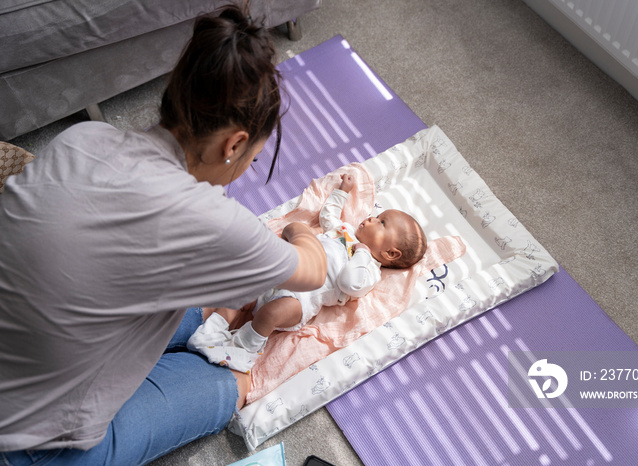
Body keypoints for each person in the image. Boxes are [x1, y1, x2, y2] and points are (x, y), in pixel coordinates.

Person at [0, 5, 327, 465]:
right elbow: (313, 273)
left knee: (211, 308)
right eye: (251, 158)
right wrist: (300, 229)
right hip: (29, 446)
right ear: (233, 144)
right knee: (232, 384)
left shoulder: (84, 139)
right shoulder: (209, 221)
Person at [187, 173, 428, 373]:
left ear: (391, 254)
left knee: (271, 313)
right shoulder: (344, 231)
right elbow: (328, 216)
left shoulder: (369, 273)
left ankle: (241, 350)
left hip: (301, 300)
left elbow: (348, 283)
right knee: (242, 291)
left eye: (381, 222)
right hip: (284, 272)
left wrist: (363, 252)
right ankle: (211, 333)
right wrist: (342, 192)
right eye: (377, 215)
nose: (371, 218)